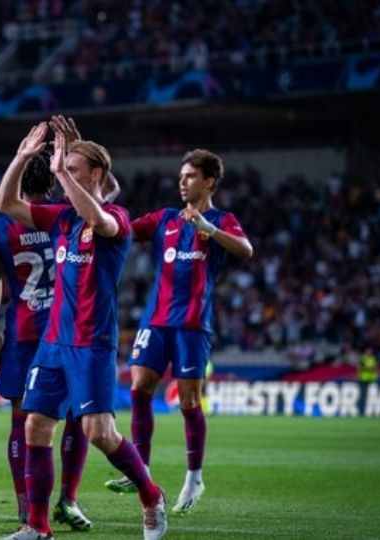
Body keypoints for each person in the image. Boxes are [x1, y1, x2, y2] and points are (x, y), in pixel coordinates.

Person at [0, 123, 166, 540]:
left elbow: (99, 216)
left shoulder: (116, 220)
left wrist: (64, 173)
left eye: (70, 167)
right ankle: (37, 527)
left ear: (95, 175)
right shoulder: (61, 218)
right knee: (35, 425)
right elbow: (4, 203)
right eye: (61, 165)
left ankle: (151, 495)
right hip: (53, 341)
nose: (59, 172)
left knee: (99, 432)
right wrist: (21, 157)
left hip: (92, 343)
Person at [0, 116, 117, 532]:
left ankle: (27, 507)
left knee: (25, 422)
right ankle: (68, 501)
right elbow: (109, 197)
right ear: (55, 183)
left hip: (23, 332)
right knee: (77, 416)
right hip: (68, 328)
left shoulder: (0, 226)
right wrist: (81, 156)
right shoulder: (68, 214)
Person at [109, 149, 253, 518]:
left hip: (192, 325)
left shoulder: (222, 219)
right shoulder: (165, 219)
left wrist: (210, 229)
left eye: (190, 176)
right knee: (139, 386)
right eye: (180, 176)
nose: (182, 182)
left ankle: (194, 476)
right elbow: (122, 228)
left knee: (189, 402)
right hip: (155, 321)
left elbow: (245, 249)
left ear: (209, 182)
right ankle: (140, 467)